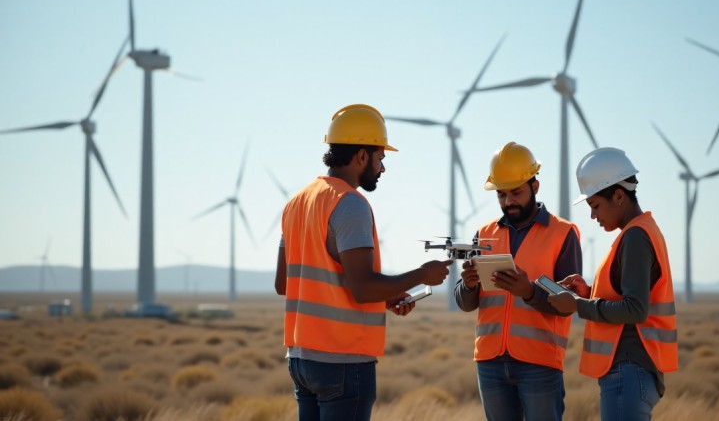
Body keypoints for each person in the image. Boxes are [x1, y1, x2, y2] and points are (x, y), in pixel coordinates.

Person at [275, 104, 453, 421]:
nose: (382, 168)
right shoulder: (350, 204)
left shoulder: (297, 202)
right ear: (361, 156)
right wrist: (422, 275)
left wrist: (384, 298)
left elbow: (282, 283)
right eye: (380, 158)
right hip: (341, 362)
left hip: (301, 358)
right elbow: (362, 289)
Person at [454, 141, 582, 421]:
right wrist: (469, 285)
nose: (508, 201)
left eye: (516, 193)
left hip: (540, 363)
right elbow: (465, 303)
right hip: (489, 362)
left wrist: (529, 292)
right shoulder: (484, 234)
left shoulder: (563, 234)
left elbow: (570, 304)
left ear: (535, 186)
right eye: (501, 194)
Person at [548, 147, 678, 421]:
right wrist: (588, 292)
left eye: (595, 206)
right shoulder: (644, 230)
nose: (593, 216)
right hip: (635, 370)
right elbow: (627, 295)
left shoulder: (634, 237)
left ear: (619, 196)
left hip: (629, 370)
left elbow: (635, 309)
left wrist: (577, 305)